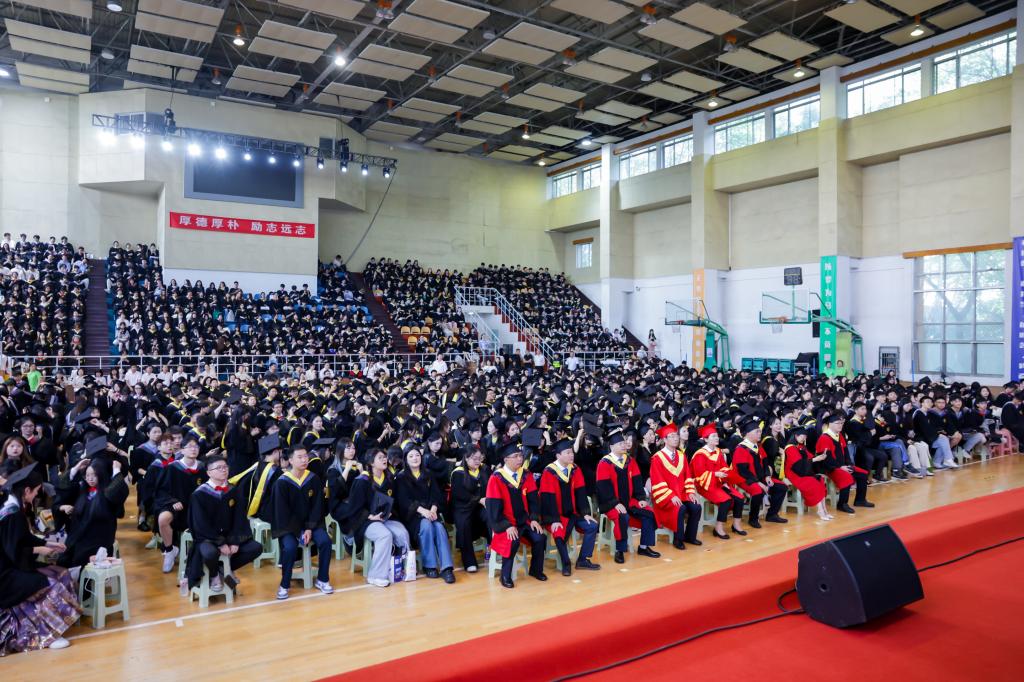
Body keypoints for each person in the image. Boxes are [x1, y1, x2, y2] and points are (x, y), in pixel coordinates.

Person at [0, 464, 80, 654]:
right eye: (36, 491)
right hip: (5, 575)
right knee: (50, 584)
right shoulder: (12, 514)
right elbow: (14, 551)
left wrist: (47, 543)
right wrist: (41, 549)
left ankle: (60, 625)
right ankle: (47, 635)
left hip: (10, 565)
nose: (36, 495)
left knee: (61, 573)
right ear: (27, 491)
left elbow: (22, 539)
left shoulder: (12, 508)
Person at [184, 456, 262, 594]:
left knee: (256, 548)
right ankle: (214, 575)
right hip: (208, 538)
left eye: (225, 467)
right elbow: (200, 524)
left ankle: (224, 569)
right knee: (210, 553)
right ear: (209, 473)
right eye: (219, 468)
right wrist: (220, 543)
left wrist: (235, 541)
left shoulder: (233, 490)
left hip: (230, 535)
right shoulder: (199, 494)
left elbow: (239, 518)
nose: (224, 470)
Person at [334, 448, 410, 588]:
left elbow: (394, 501)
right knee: (384, 535)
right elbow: (354, 508)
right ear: (371, 462)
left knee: (402, 533)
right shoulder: (361, 481)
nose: (384, 459)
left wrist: (390, 512)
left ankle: (400, 569)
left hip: (386, 519)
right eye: (380, 458)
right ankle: (376, 576)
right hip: (366, 521)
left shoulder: (389, 479)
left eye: (385, 457)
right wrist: (370, 516)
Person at [271, 446, 333, 599]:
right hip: (289, 526)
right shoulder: (282, 483)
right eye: (299, 457)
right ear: (291, 460)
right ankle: (284, 584)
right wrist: (299, 531)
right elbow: (282, 512)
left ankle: (323, 579)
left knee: (325, 541)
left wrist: (309, 528)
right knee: (290, 547)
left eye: (305, 456)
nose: (304, 460)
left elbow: (317, 506)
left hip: (312, 524)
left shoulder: (313, 478)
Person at [485, 442, 547, 588]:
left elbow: (533, 500)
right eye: (515, 456)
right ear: (506, 459)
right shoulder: (496, 478)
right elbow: (493, 508)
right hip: (505, 523)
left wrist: (534, 519)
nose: (520, 459)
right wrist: (506, 525)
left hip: (524, 521)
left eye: (520, 455)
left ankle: (535, 570)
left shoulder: (526, 475)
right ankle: (505, 576)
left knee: (540, 537)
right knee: (512, 541)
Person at [595, 430, 660, 563]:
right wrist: (615, 503)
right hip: (610, 503)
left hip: (629, 501)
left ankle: (643, 547)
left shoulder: (630, 461)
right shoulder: (604, 463)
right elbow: (603, 489)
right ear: (612, 447)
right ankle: (620, 550)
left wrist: (641, 499)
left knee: (649, 513)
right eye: (620, 444)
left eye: (624, 443)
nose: (624, 445)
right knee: (622, 517)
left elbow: (637, 481)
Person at [395, 444, 455, 583]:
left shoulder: (428, 474)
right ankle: (430, 566)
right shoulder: (401, 477)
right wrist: (423, 511)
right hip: (413, 517)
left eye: (417, 455)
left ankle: (447, 568)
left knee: (439, 528)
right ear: (406, 459)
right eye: (411, 456)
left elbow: (436, 495)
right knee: (426, 526)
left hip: (430, 513)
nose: (415, 458)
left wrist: (433, 509)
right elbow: (404, 501)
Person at [55, 456, 129, 570]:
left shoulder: (108, 492)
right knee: (64, 559)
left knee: (79, 558)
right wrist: (76, 468)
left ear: (101, 475)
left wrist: (116, 470)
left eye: (94, 475)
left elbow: (118, 490)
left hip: (99, 538)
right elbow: (63, 486)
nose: (90, 479)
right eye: (87, 475)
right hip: (80, 535)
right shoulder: (82, 490)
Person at [539, 438, 600, 576]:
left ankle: (583, 559)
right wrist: (554, 520)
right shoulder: (549, 472)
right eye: (567, 452)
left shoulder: (575, 469)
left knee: (592, 526)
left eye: (571, 452)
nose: (571, 455)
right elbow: (547, 498)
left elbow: (581, 492)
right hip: (555, 515)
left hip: (573, 513)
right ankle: (566, 563)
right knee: (559, 533)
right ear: (558, 455)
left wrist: (585, 513)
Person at [154, 437, 204, 573]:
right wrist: (173, 501)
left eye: (196, 446)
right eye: (190, 446)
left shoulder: (203, 468)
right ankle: (170, 550)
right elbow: (161, 489)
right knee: (163, 519)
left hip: (196, 507)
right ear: (182, 450)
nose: (193, 449)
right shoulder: (172, 468)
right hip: (175, 504)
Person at [649, 424, 702, 550]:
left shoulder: (681, 455)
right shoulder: (657, 458)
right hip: (666, 497)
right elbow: (657, 481)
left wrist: (691, 492)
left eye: (676, 436)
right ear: (665, 440)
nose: (676, 438)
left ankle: (690, 536)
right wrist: (671, 496)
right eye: (672, 436)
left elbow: (688, 476)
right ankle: (678, 539)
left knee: (696, 507)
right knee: (681, 508)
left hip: (682, 493)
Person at [729, 417, 788, 528]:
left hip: (760, 477)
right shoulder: (741, 449)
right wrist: (759, 483)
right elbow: (743, 471)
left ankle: (772, 515)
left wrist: (767, 476)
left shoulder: (758, 446)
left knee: (782, 487)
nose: (760, 433)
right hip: (745, 479)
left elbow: (765, 463)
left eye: (760, 431)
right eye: (757, 432)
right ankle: (753, 518)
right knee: (758, 491)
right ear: (748, 434)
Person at [690, 424, 745, 539]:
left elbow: (724, 467)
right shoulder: (700, 454)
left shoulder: (718, 452)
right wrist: (715, 474)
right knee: (726, 500)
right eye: (713, 436)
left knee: (739, 498)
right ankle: (718, 528)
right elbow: (700, 475)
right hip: (704, 485)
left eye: (717, 436)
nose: (717, 438)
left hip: (719, 483)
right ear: (705, 439)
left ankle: (736, 525)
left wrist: (725, 480)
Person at [815, 413, 873, 514]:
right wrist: (840, 467)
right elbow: (826, 459)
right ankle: (842, 504)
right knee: (846, 477)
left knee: (863, 473)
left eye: (841, 423)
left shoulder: (839, 435)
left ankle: (860, 500)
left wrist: (849, 464)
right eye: (838, 423)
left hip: (842, 466)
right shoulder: (825, 438)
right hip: (829, 468)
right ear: (830, 424)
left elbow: (846, 452)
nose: (840, 425)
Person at [449, 447, 489, 573]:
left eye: (480, 458)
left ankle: (494, 549)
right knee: (464, 524)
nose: (478, 461)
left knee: (491, 516)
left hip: (480, 507)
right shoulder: (458, 473)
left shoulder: (484, 470)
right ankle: (469, 561)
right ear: (466, 458)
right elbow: (459, 494)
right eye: (474, 458)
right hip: (463, 508)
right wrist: (479, 499)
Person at [782, 427, 832, 521]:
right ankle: (820, 510)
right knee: (813, 482)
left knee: (820, 479)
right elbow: (798, 465)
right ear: (796, 436)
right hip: (794, 473)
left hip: (802, 471)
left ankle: (824, 510)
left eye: (805, 436)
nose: (804, 438)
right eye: (803, 436)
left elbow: (810, 457)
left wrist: (820, 457)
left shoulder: (801, 447)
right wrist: (815, 459)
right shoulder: (790, 448)